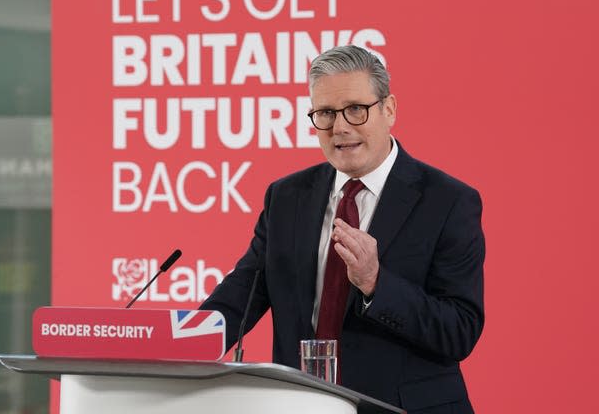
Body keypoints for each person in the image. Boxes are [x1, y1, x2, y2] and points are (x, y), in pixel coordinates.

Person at [201, 45, 485, 414]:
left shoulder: (448, 201)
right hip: (303, 406)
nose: (340, 127)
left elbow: (459, 330)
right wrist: (167, 349)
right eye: (325, 113)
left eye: (355, 109)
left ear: (389, 109)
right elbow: (238, 299)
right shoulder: (286, 197)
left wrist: (375, 282)